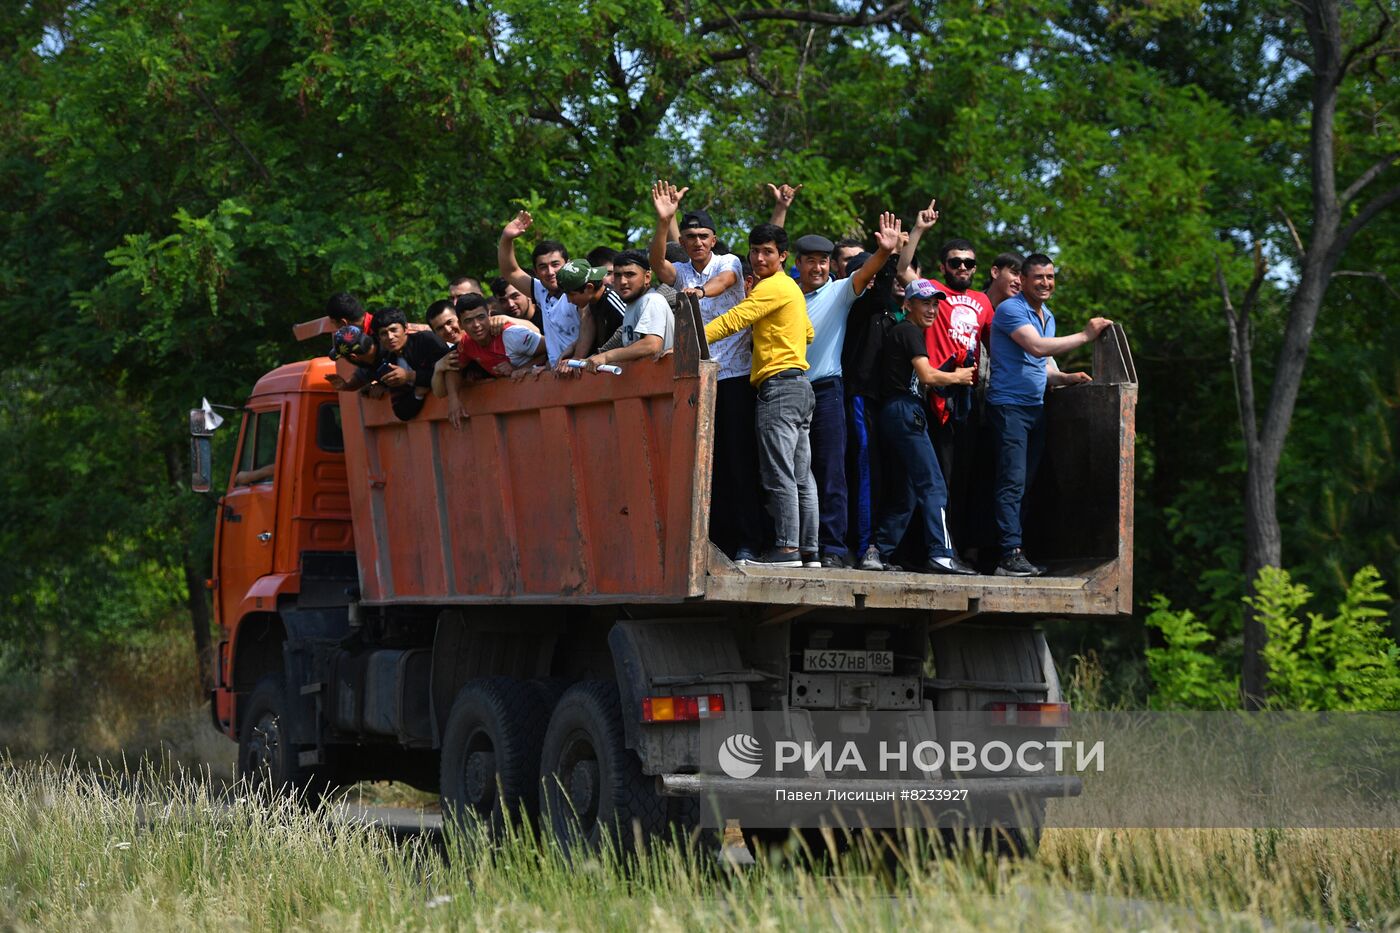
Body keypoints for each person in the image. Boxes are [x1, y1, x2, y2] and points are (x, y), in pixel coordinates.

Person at [647, 181, 763, 560]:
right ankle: (715, 540)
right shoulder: (681, 270)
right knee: (703, 461)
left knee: (738, 460)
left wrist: (699, 293)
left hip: (733, 377)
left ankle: (748, 540)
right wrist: (664, 222)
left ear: (714, 240)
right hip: (699, 379)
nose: (697, 242)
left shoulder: (726, 263)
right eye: (691, 236)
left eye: (703, 236)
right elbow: (657, 265)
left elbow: (723, 282)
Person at [986, 254, 1111, 576]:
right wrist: (1085, 336)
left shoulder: (1047, 314)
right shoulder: (1011, 309)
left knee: (1025, 484)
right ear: (1023, 281)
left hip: (1034, 408)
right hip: (1009, 407)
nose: (1045, 283)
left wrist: (1066, 378)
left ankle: (1014, 550)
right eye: (1038, 277)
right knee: (1011, 483)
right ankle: (1007, 554)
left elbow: (1041, 368)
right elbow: (1038, 348)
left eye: (1050, 277)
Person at [788, 213, 901, 568]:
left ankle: (833, 549)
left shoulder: (839, 292)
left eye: (823, 261)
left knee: (831, 470)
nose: (817, 268)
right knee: (788, 473)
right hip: (787, 389)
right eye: (810, 261)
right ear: (798, 264)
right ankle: (793, 548)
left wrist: (885, 251)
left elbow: (867, 274)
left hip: (826, 391)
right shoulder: (784, 294)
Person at [704, 223, 816, 568]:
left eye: (768, 251)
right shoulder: (790, 289)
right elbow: (808, 333)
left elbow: (734, 319)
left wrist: (685, 339)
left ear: (783, 256)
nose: (758, 257)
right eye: (754, 251)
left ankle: (785, 548)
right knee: (801, 476)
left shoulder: (773, 287)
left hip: (779, 388)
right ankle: (808, 550)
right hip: (799, 385)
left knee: (778, 473)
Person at [896, 200, 996, 555]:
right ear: (944, 266)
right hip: (932, 392)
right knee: (931, 474)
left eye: (969, 263)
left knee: (961, 478)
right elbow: (903, 267)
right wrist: (919, 228)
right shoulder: (934, 293)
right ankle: (928, 551)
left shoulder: (984, 302)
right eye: (956, 262)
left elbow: (995, 348)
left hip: (966, 399)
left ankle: (952, 548)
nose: (963, 268)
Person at [859, 279, 977, 575]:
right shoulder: (909, 330)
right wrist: (958, 378)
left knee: (908, 492)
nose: (932, 309)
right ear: (908, 305)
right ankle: (942, 554)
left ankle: (878, 552)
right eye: (925, 303)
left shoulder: (902, 331)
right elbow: (926, 376)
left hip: (895, 412)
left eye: (936, 303)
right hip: (904, 411)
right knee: (933, 485)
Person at [497, 211, 593, 371]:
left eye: (555, 264)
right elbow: (510, 271)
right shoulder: (540, 291)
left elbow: (589, 323)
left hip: (580, 370)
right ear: (535, 270)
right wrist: (507, 238)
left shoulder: (581, 289)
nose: (550, 272)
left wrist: (577, 359)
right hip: (558, 373)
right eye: (543, 267)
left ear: (568, 263)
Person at [435, 295, 546, 428]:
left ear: (489, 315)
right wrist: (453, 399)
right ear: (460, 324)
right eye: (469, 320)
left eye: (481, 317)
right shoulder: (467, 343)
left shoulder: (512, 335)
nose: (476, 325)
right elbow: (453, 368)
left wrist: (522, 368)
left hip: (543, 395)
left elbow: (551, 349)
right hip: (518, 406)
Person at [584, 250, 674, 369]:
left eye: (630, 274)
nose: (622, 281)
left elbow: (651, 345)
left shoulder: (652, 300)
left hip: (664, 382)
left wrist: (606, 356)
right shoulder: (633, 304)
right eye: (617, 275)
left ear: (647, 277)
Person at [368, 307, 451, 422]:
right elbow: (401, 411)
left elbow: (449, 372)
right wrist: (417, 394)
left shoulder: (427, 340)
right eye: (383, 333)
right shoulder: (389, 362)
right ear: (379, 339)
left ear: (406, 328)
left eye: (393, 330)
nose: (390, 337)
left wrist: (410, 376)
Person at [558, 259, 627, 352]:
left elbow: (631, 326)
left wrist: (602, 354)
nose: (569, 300)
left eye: (572, 294)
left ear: (589, 288)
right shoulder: (593, 302)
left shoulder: (612, 299)